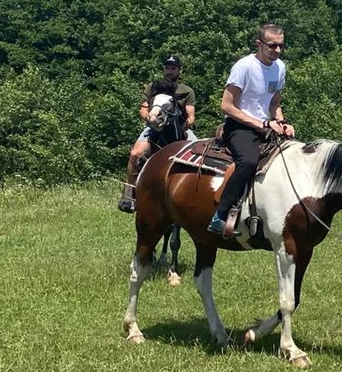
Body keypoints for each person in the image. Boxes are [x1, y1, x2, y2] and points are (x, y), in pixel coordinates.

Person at [208, 24, 295, 237]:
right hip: (239, 127)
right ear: (259, 44)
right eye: (272, 46)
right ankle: (219, 215)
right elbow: (227, 106)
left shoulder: (280, 67)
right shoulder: (244, 67)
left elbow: (274, 102)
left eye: (281, 46)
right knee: (248, 162)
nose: (277, 50)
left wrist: (282, 123)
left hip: (267, 126)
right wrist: (261, 124)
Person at [117, 55, 197, 213]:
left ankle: (194, 192)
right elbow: (143, 108)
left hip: (179, 128)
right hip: (155, 127)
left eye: (173, 68)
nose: (170, 71)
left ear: (179, 70)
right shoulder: (152, 87)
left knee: (198, 155)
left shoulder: (186, 91)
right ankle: (129, 193)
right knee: (135, 153)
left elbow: (191, 115)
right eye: (167, 67)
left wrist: (185, 122)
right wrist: (148, 117)